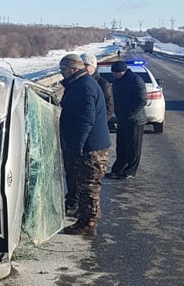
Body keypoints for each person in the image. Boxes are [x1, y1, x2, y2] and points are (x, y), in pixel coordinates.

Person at [58, 54, 111, 235]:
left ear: (73, 69)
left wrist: (77, 146)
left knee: (88, 185)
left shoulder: (83, 87)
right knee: (86, 184)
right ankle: (87, 215)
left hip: (91, 147)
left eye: (63, 70)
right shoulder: (81, 84)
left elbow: (86, 119)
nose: (61, 73)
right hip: (90, 145)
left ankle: (87, 222)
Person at [106, 60, 148, 180]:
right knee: (121, 146)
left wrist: (129, 113)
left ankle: (130, 171)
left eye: (115, 73)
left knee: (133, 147)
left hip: (134, 120)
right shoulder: (118, 81)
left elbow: (142, 100)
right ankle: (118, 170)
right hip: (122, 119)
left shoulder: (135, 80)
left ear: (122, 71)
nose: (114, 75)